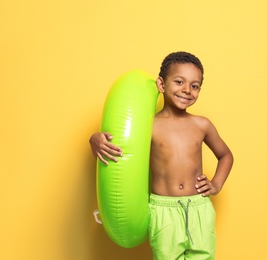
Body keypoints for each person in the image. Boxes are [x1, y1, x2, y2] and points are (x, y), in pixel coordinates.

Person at [89, 51, 234, 260]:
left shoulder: (202, 124)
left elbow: (226, 155)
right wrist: (95, 139)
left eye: (195, 86)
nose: (187, 90)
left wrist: (217, 184)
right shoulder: (147, 127)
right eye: (179, 82)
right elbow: (120, 146)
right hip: (163, 212)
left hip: (199, 209)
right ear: (161, 84)